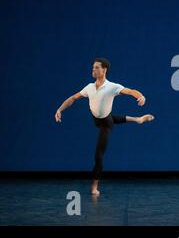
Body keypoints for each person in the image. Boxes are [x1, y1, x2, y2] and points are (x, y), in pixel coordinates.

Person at [55, 58, 154, 195]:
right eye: (93, 67)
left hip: (105, 124)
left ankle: (94, 187)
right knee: (110, 118)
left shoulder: (112, 87)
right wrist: (60, 109)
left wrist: (141, 96)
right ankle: (137, 119)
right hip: (99, 119)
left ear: (104, 70)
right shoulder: (89, 87)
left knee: (99, 155)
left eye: (96, 67)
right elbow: (72, 98)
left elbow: (130, 91)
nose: (93, 70)